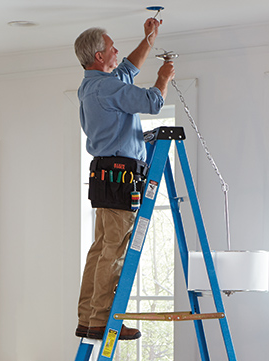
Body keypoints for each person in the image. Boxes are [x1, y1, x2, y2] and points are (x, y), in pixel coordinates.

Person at [73, 18, 175, 340]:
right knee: (115, 251)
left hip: (106, 176)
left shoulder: (91, 85)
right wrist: (163, 77)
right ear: (99, 57)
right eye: (111, 46)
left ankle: (88, 318)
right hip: (120, 177)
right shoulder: (107, 88)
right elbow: (152, 102)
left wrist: (149, 40)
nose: (117, 49)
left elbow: (128, 68)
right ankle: (102, 321)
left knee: (101, 248)